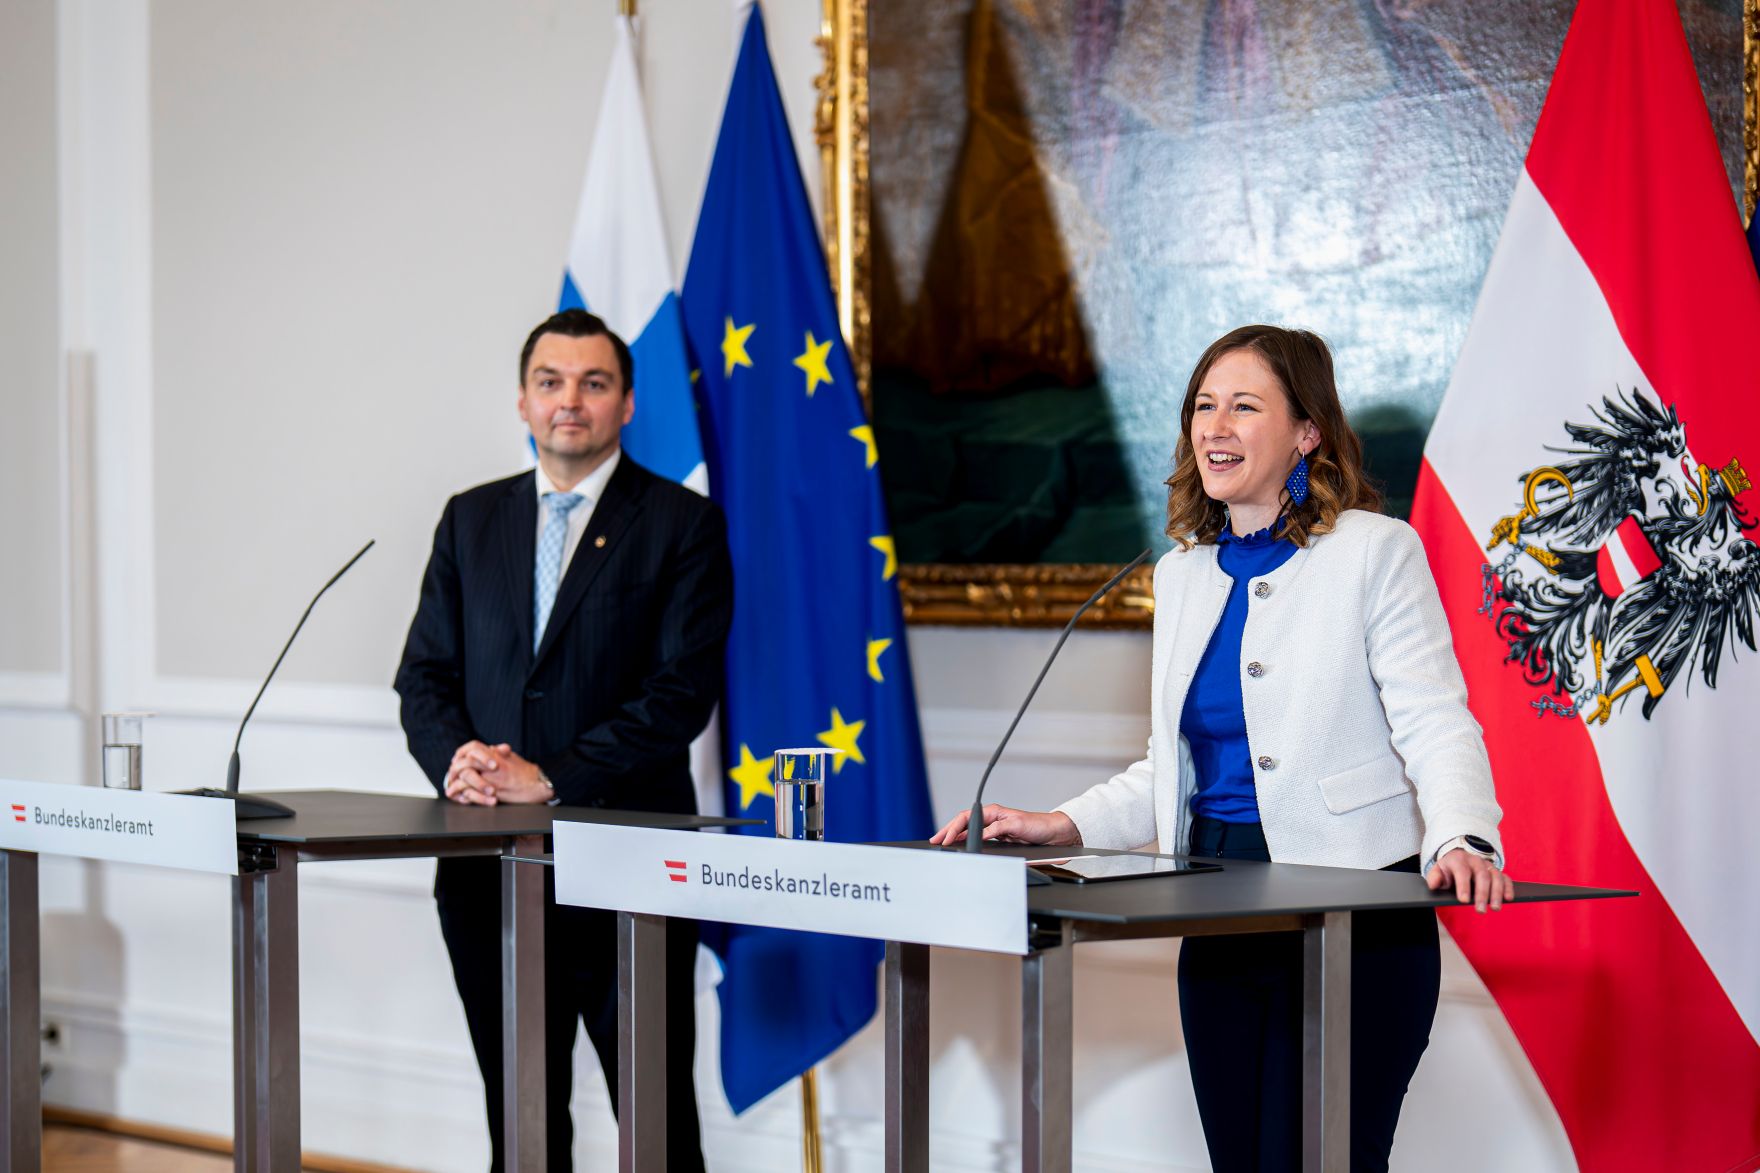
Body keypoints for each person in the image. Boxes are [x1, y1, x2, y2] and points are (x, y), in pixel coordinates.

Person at [931, 325, 1511, 1172]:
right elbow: (1172, 768)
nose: (1215, 426)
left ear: (1307, 431)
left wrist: (1462, 832)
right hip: (1215, 911)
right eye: (1204, 406)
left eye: (1244, 406)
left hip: (1354, 915)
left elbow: (1436, 719)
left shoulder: (1375, 553)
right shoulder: (1183, 573)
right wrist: (1059, 821)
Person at [395, 308, 732, 1173]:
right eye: (550, 382)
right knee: (521, 1123)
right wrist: (460, 761)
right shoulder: (469, 522)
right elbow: (424, 677)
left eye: (593, 382)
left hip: (630, 865)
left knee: (657, 1126)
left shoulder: (682, 524)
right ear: (522, 401)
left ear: (626, 403)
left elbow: (679, 696)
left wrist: (547, 777)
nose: (569, 401)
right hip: (488, 874)